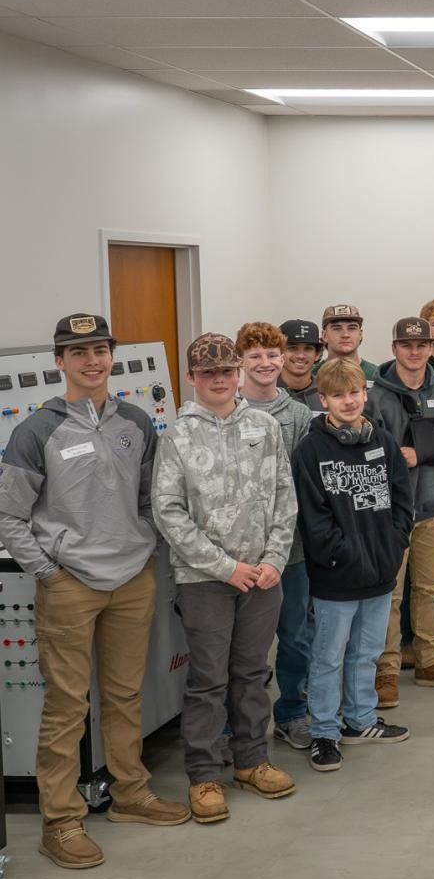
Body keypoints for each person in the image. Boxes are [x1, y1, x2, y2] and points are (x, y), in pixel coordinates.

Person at [0, 313, 190, 868]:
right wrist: (48, 572)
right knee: (65, 706)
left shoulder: (135, 420)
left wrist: (143, 548)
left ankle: (130, 792)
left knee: (127, 694)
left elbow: (150, 498)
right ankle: (59, 821)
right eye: (78, 352)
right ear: (59, 362)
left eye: (100, 350)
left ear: (111, 356)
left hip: (132, 579)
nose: (92, 361)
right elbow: (9, 517)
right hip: (69, 585)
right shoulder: (35, 431)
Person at [152, 333, 298, 823]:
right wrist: (224, 567)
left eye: (226, 371)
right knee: (208, 680)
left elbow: (284, 493)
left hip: (263, 575)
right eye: (208, 373)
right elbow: (168, 512)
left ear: (237, 374)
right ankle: (205, 772)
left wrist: (274, 558)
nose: (219, 380)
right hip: (205, 579)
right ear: (192, 378)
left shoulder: (264, 426)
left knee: (252, 673)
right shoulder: (175, 436)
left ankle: (253, 761)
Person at [292, 359, 414, 774]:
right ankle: (325, 731)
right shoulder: (311, 450)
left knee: (367, 652)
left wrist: (394, 545)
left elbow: (402, 499)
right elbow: (314, 518)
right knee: (328, 656)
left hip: (381, 572)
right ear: (323, 399)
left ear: (366, 394)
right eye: (338, 395)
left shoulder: (381, 440)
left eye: (355, 393)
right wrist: (343, 554)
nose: (348, 401)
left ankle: (360, 720)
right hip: (336, 576)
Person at [366, 317, 434, 704]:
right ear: (394, 348)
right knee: (389, 594)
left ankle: (430, 660)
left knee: (430, 588)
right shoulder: (374, 396)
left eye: (422, 345)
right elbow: (367, 452)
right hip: (389, 511)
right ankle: (386, 670)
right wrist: (401, 456)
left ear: (430, 348)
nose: (415, 352)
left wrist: (422, 453)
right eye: (407, 345)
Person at [234, 323, 316, 751]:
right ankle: (238, 723)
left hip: (293, 549)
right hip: (241, 551)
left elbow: (303, 485)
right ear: (241, 363)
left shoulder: (299, 416)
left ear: (283, 360)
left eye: (272, 356)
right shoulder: (226, 411)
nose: (265, 364)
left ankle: (291, 711)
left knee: (296, 635)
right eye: (255, 358)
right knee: (245, 642)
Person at [318, 303, 379, 385]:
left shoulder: (378, 376)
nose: (345, 335)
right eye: (337, 329)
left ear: (360, 334)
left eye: (352, 328)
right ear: (324, 335)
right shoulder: (311, 376)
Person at [277, 318, 325, 411]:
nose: (300, 356)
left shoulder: (328, 392)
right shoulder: (266, 391)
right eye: (292, 348)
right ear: (279, 353)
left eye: (307, 348)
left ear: (317, 354)